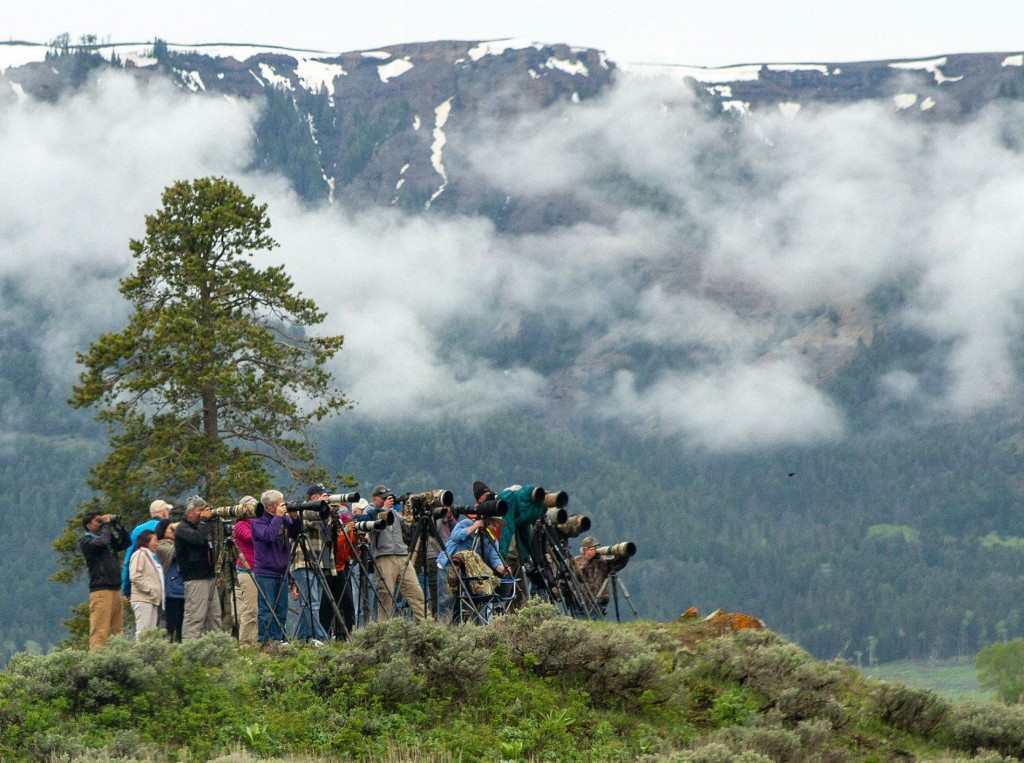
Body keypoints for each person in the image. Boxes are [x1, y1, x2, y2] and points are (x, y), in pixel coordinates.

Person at [364, 485, 429, 621]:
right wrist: (384, 510)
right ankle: (383, 630)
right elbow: (370, 524)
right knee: (386, 596)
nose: (388, 500)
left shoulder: (395, 514)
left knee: (416, 593)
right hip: (384, 557)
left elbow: (407, 527)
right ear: (375, 499)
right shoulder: (370, 512)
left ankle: (427, 625)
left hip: (402, 556)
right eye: (383, 498)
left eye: (389, 497)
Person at [288, 484, 334, 642]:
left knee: (310, 603)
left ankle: (301, 638)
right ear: (314, 497)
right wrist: (321, 508)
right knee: (311, 603)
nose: (326, 498)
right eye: (323, 496)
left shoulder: (323, 515)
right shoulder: (303, 511)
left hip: (317, 562)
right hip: (303, 562)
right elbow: (306, 521)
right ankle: (320, 637)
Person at [80, 511, 131, 649]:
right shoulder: (87, 542)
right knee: (100, 630)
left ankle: (117, 661)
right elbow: (102, 542)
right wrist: (107, 525)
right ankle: (97, 660)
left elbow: (126, 542)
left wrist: (118, 526)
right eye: (98, 521)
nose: (101, 523)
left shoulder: (107, 539)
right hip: (101, 590)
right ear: (88, 525)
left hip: (115, 589)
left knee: (117, 631)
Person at [251, 488, 295, 645]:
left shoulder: (282, 519)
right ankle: (265, 641)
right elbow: (269, 536)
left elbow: (295, 533)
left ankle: (279, 639)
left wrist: (295, 517)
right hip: (266, 572)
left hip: (281, 571)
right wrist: (278, 517)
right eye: (280, 503)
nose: (283, 506)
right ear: (270, 506)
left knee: (281, 610)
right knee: (267, 610)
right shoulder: (257, 521)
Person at [174, 495, 221, 640]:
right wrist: (204, 521)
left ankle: (218, 647)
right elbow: (197, 539)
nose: (204, 513)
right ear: (190, 513)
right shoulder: (182, 528)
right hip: (194, 578)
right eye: (200, 510)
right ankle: (190, 649)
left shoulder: (201, 526)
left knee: (215, 616)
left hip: (209, 575)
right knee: (195, 616)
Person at [120, 499, 173, 599]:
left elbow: (128, 559)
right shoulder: (168, 529)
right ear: (164, 513)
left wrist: (126, 589)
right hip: (166, 581)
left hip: (144, 583)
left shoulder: (137, 530)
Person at [321, 503, 357, 639]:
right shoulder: (332, 530)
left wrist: (354, 538)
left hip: (342, 569)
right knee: (327, 604)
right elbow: (336, 549)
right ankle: (325, 634)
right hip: (329, 568)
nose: (348, 524)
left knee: (347, 602)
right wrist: (345, 533)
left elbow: (352, 554)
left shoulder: (350, 531)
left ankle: (348, 632)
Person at [229, 495, 260, 645]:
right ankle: (246, 643)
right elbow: (252, 538)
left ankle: (256, 640)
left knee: (258, 609)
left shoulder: (255, 523)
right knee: (251, 608)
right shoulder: (241, 525)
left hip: (258, 568)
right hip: (247, 570)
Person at [128, 529, 165, 637]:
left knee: (151, 633)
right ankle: (139, 653)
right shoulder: (139, 554)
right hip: (143, 599)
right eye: (154, 540)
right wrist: (149, 589)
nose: (156, 543)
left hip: (152, 599)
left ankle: (148, 653)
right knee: (143, 631)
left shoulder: (151, 556)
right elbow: (135, 576)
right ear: (146, 541)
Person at [155, 520, 184, 642]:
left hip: (183, 588)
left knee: (182, 625)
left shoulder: (176, 543)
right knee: (170, 624)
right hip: (170, 590)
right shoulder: (161, 546)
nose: (174, 532)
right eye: (170, 529)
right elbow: (178, 552)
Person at [574, 536, 610, 607]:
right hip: (582, 601)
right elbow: (577, 575)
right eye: (591, 548)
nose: (594, 551)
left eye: (595, 548)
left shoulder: (601, 561)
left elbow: (617, 566)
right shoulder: (577, 560)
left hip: (599, 600)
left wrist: (623, 556)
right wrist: (587, 559)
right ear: (584, 550)